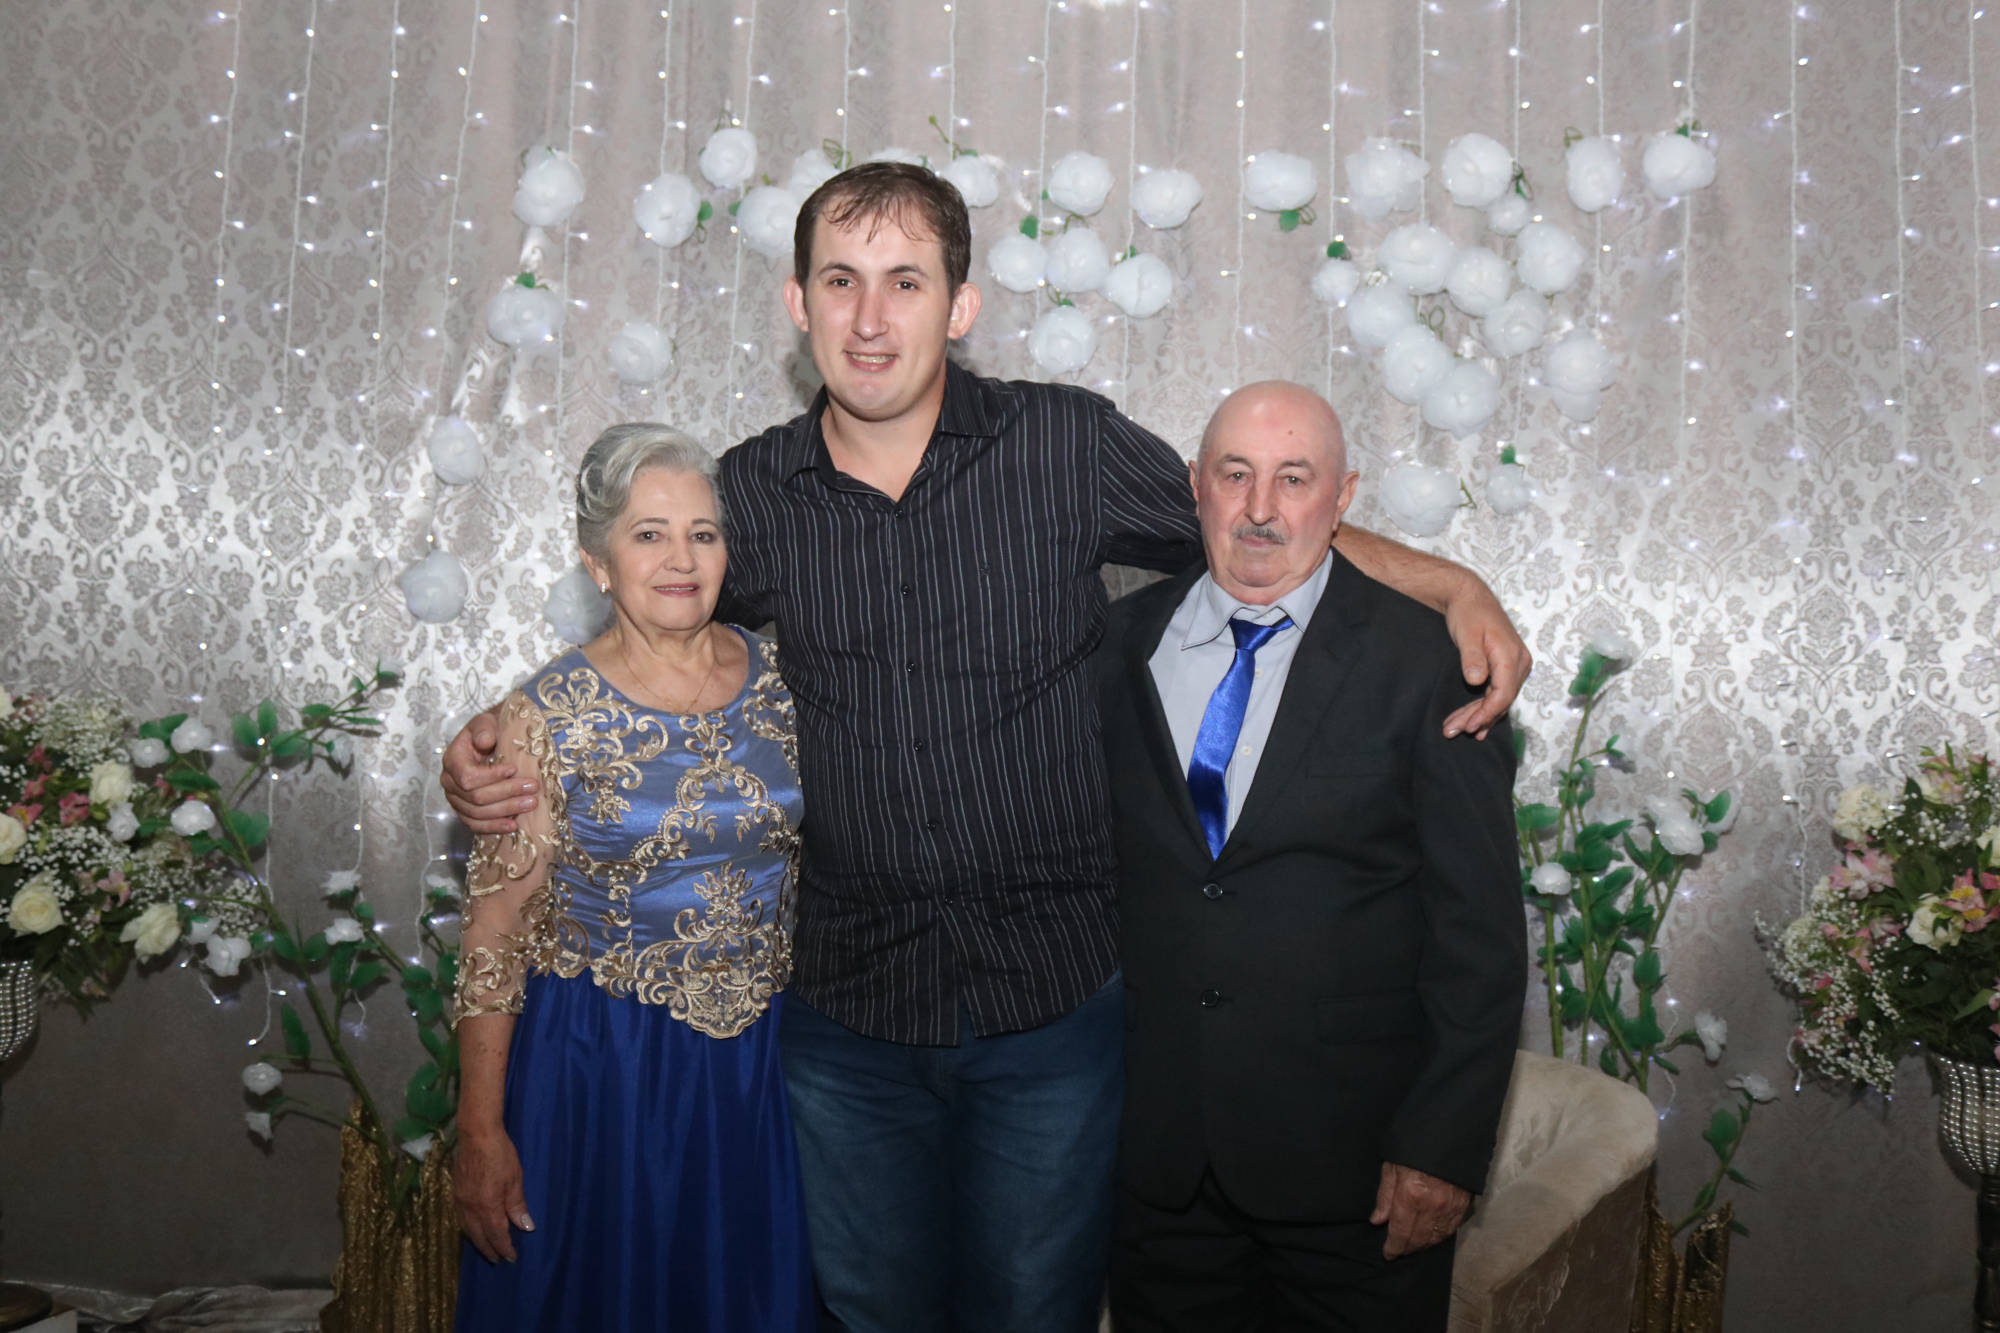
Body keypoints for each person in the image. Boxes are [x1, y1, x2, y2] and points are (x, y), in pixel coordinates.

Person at [443, 164, 1530, 1332]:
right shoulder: (750, 493)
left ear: (959, 306)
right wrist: (503, 735)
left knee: (1030, 1314)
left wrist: (1448, 582)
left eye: (904, 282)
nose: (870, 318)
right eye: (840, 282)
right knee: (869, 1316)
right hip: (847, 1021)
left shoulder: (1063, 443)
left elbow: (1251, 521)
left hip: (1050, 1013)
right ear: (796, 304)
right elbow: (653, 638)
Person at [1097, 382, 1525, 1332]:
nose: (1260, 509)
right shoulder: (1116, 647)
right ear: (1196, 487)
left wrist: (1442, 1148)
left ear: (1343, 498)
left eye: (1294, 479)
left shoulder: (1430, 665)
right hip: (1159, 1169)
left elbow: (1481, 937)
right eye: (1235, 475)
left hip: (1359, 1176)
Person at [451, 424, 814, 1332]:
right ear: (598, 563)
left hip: (764, 1067)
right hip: (601, 1069)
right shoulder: (543, 715)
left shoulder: (789, 682)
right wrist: (480, 1129)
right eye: (649, 534)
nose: (681, 558)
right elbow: (494, 937)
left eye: (702, 532)